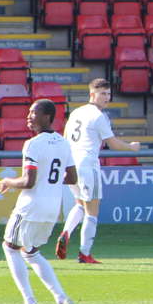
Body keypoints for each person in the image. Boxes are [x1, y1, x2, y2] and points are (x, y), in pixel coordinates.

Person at [0, 99, 78, 304]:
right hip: (52, 208)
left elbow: (28, 181)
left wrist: (7, 181)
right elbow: (72, 177)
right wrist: (49, 185)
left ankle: (29, 302)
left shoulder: (32, 144)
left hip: (30, 207)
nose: (29, 116)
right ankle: (62, 298)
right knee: (30, 252)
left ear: (47, 117)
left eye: (34, 113)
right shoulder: (63, 143)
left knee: (10, 247)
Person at [55, 78, 140, 264]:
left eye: (109, 94)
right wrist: (131, 148)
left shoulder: (77, 112)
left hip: (71, 163)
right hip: (87, 164)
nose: (107, 97)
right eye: (102, 93)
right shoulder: (98, 116)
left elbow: (64, 138)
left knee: (79, 204)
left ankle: (66, 232)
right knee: (92, 211)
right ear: (92, 94)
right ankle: (84, 254)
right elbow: (114, 144)